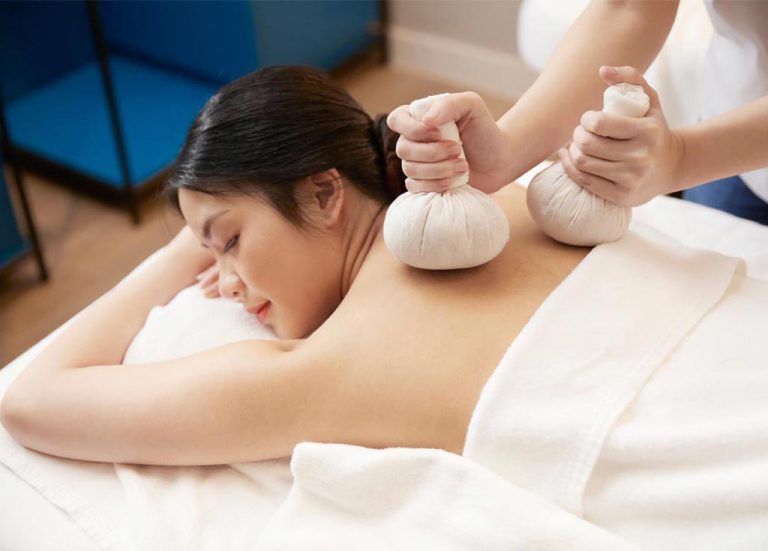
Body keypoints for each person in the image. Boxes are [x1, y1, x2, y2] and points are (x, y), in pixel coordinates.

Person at [1, 64, 766, 549]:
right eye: (209, 253)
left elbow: (31, 397)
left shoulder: (326, 372)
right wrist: (206, 232)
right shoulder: (518, 200)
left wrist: (175, 253)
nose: (223, 280)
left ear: (326, 190)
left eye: (227, 239)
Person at [387, 0, 768, 224]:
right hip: (736, 151)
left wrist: (683, 159)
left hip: (720, 153)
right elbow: (630, 7)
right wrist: (508, 150)